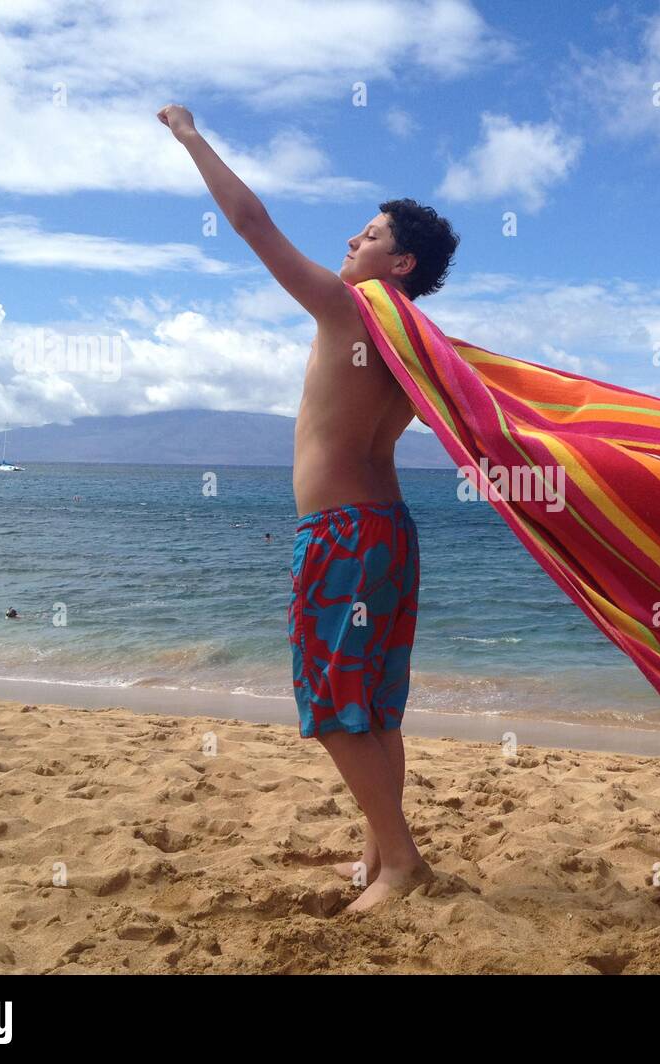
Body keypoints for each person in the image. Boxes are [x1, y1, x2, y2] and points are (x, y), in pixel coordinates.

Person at [159, 103, 458, 913]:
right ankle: (379, 858)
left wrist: (190, 137)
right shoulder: (415, 339)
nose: (350, 243)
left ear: (399, 263)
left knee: (332, 707)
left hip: (343, 535)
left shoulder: (349, 308)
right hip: (390, 534)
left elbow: (253, 223)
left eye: (367, 236)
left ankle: (400, 863)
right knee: (375, 703)